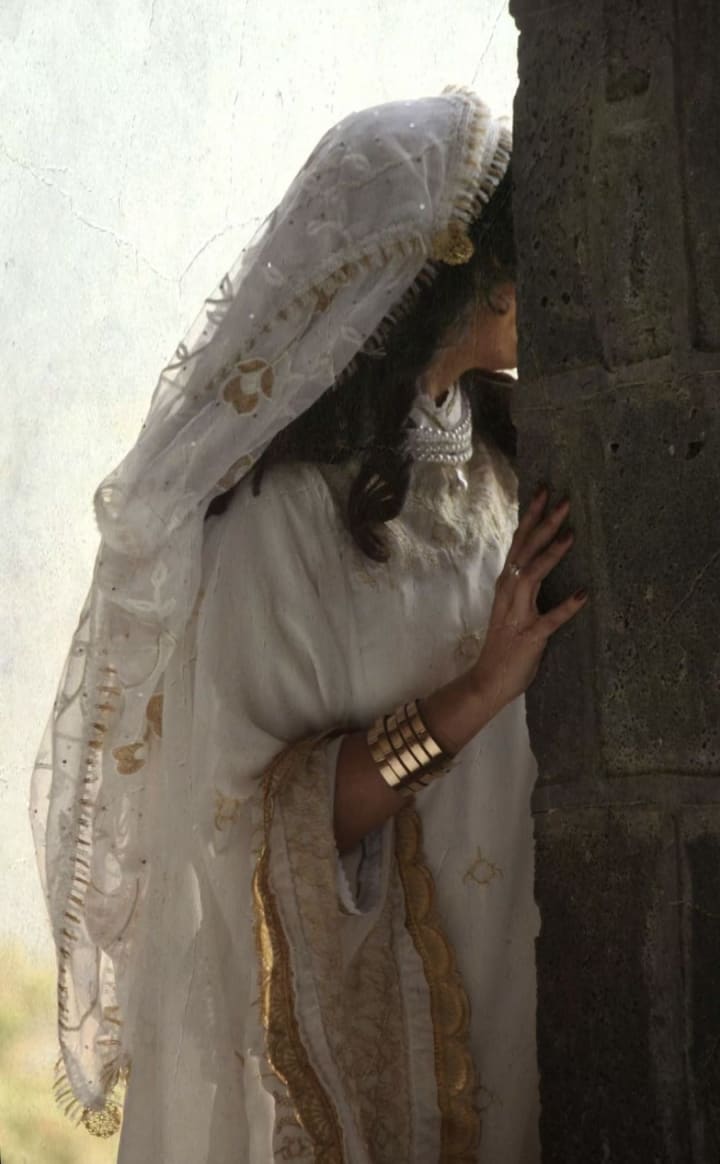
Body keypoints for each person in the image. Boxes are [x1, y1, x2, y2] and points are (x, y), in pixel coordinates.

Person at [30, 86, 588, 1163]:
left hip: (525, 966)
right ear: (456, 274)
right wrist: (476, 695)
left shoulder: (508, 469)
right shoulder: (277, 524)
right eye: (525, 253)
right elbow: (253, 829)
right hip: (380, 1014)